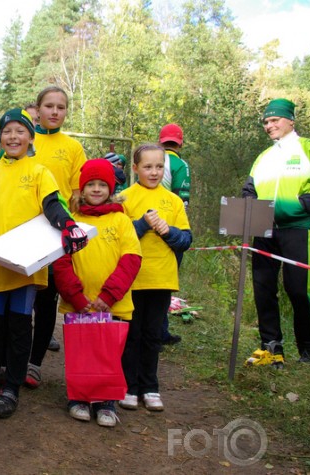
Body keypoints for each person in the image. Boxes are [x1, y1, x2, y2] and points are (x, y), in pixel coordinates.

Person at [0, 108, 88, 418]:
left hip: (25, 269)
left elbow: (52, 206)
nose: (13, 136)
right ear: (0, 137)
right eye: (7, 131)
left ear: (31, 136)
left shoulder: (39, 171)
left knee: (19, 326)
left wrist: (69, 225)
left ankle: (11, 387)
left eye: (20, 131)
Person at [54, 158, 141, 427]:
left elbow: (131, 259)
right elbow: (61, 262)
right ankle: (78, 398)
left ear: (111, 188)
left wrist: (108, 296)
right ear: (81, 189)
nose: (95, 189)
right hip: (79, 306)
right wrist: (77, 298)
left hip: (112, 305)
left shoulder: (122, 220)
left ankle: (106, 402)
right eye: (90, 184)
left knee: (108, 355)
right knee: (81, 353)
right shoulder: (71, 222)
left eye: (102, 184)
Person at [242, 98, 310, 367]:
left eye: (275, 120)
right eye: (266, 122)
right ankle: (271, 346)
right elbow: (249, 190)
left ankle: (308, 350)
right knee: (263, 289)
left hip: (298, 229)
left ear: (290, 120)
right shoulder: (263, 157)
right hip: (263, 230)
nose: (269, 125)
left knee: (299, 290)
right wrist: (246, 207)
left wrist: (300, 206)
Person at [118, 144, 191, 412]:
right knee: (131, 335)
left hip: (162, 278)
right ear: (135, 169)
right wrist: (142, 224)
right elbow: (119, 238)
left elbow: (185, 240)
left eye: (159, 166)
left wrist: (167, 230)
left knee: (152, 336)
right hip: (132, 280)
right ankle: (128, 387)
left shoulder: (173, 201)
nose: (154, 172)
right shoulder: (124, 198)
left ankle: (150, 387)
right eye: (147, 167)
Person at [26, 85, 87, 389]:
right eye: (48, 106)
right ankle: (12, 358)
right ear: (37, 110)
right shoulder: (23, 138)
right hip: (22, 231)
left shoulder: (73, 148)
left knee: (46, 298)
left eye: (60, 107)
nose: (54, 112)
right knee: (21, 296)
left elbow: (76, 196)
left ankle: (34, 363)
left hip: (55, 232)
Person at [158, 123, 191, 347]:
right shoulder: (180, 164)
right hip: (170, 229)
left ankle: (156, 331)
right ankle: (160, 332)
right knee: (164, 283)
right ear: (180, 143)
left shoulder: (150, 157)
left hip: (145, 224)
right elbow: (183, 198)